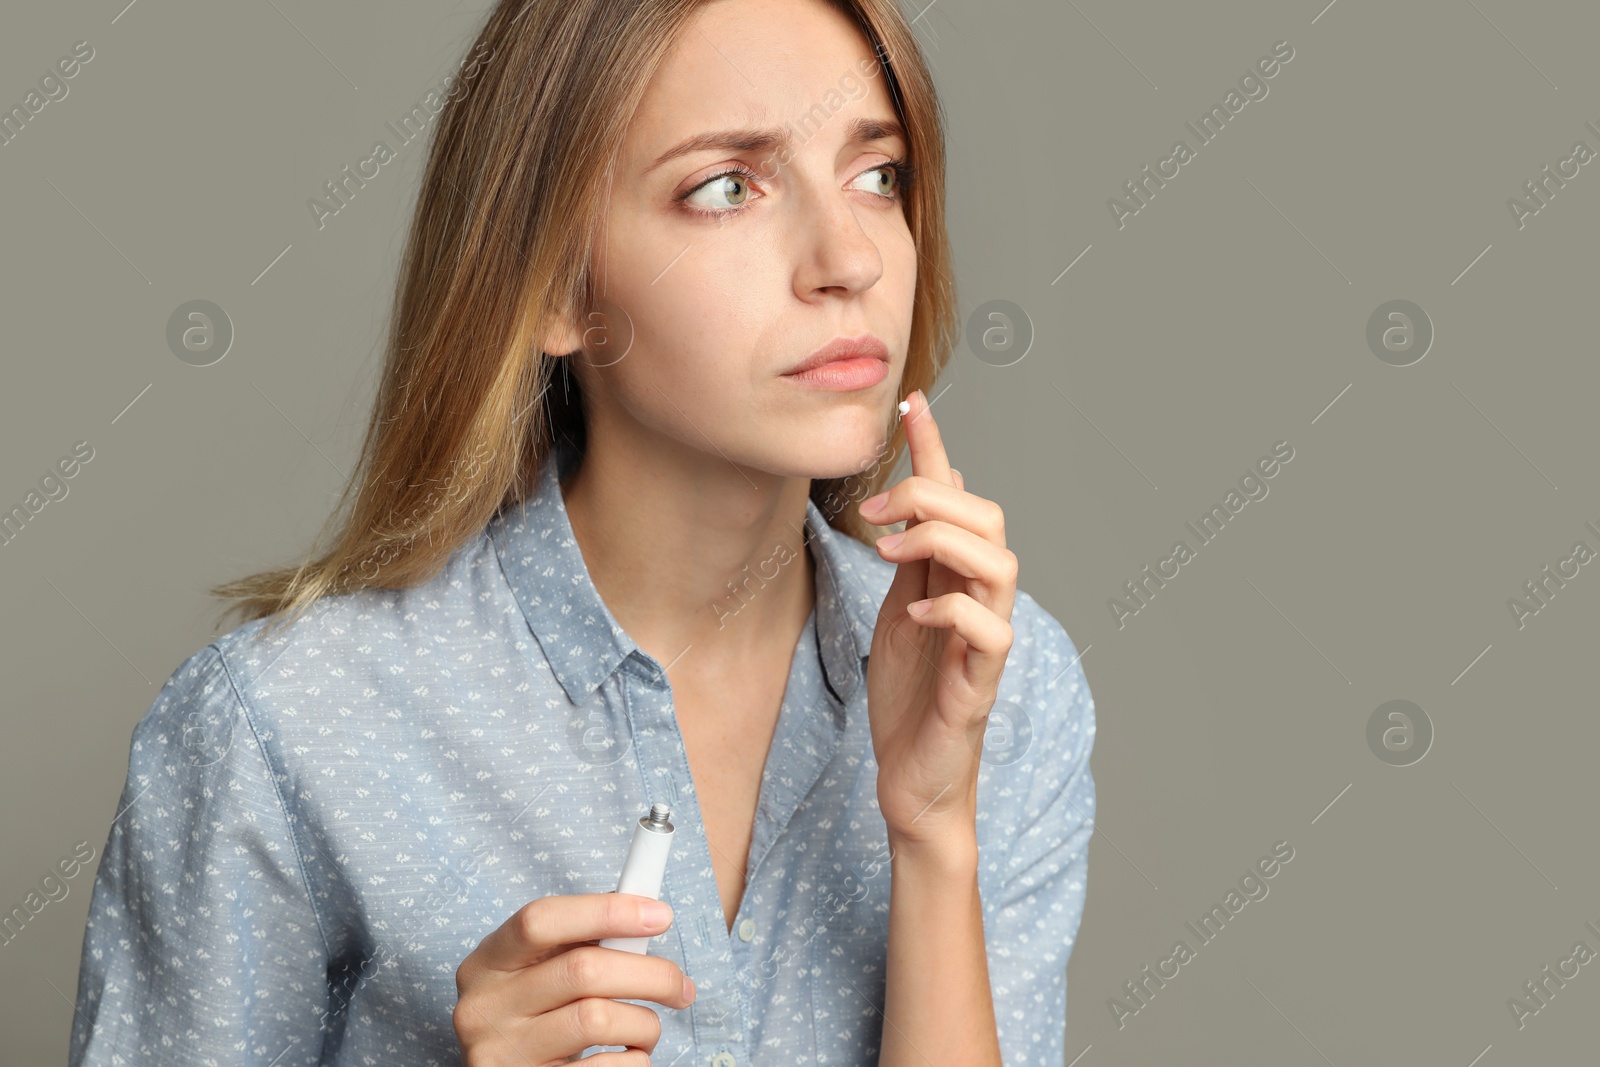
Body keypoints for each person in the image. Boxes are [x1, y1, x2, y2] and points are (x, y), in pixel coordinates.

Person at [67, 0, 1096, 1063]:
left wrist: (931, 834)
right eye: (725, 188)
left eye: (877, 175)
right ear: (557, 286)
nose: (848, 259)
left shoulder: (1002, 689)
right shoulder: (283, 728)